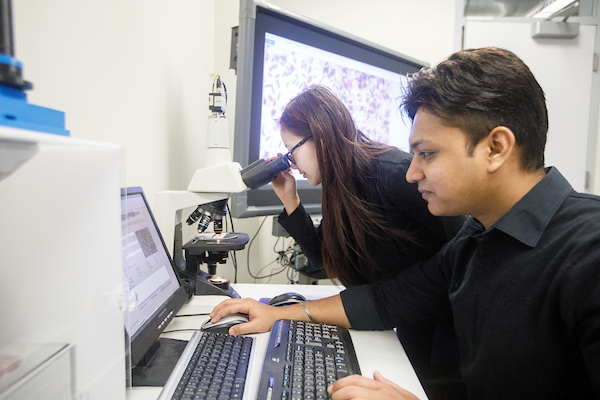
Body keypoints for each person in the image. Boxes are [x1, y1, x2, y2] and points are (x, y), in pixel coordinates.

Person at [211, 47, 600, 399]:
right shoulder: (476, 239)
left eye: (427, 154)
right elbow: (388, 298)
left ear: (495, 148)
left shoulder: (589, 254)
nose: (412, 174)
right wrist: (279, 314)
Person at [269, 85, 466, 380]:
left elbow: (460, 248)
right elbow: (324, 258)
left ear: (319, 137)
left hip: (449, 328)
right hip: (402, 315)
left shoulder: (394, 173)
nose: (293, 165)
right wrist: (290, 201)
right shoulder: (341, 188)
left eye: (292, 152)